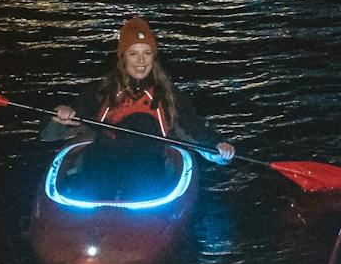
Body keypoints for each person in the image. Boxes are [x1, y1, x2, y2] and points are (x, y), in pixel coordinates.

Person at [41, 16, 234, 199]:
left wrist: (218, 148)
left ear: (154, 57)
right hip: (102, 163)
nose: (141, 61)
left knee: (145, 184)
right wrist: (60, 118)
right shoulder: (103, 91)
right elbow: (50, 134)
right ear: (123, 57)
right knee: (87, 186)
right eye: (133, 53)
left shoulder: (168, 95)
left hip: (148, 166)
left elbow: (193, 128)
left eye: (147, 53)